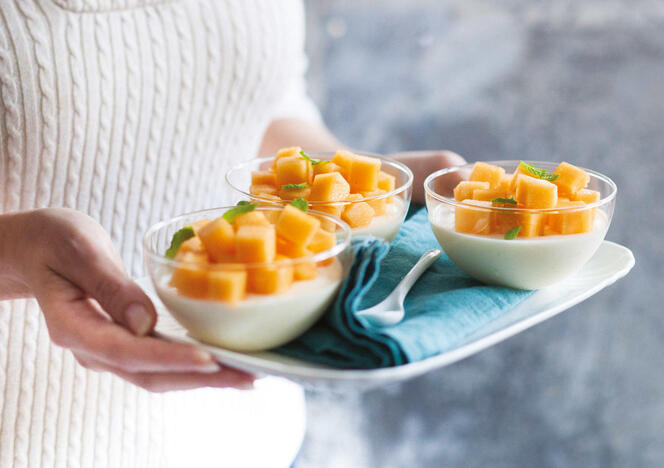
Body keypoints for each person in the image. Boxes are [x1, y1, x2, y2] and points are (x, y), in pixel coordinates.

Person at [0, 0, 464, 466]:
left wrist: (353, 187)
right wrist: (19, 253)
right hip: (33, 440)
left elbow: (270, 101)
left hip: (254, 438)